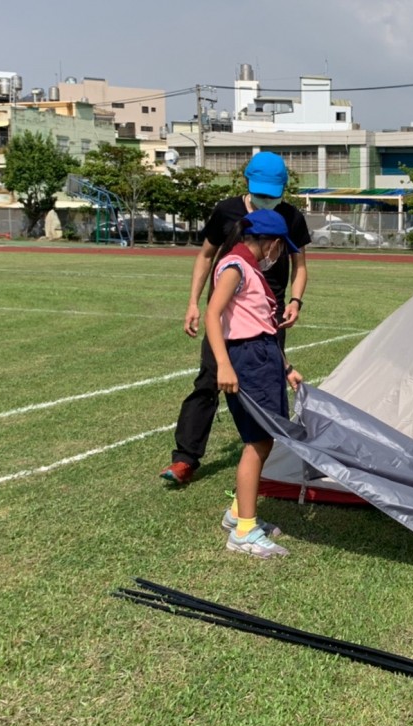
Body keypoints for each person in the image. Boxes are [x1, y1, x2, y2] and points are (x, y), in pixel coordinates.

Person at [161, 152, 311, 485]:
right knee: (208, 382)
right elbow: (205, 256)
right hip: (227, 317)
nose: (267, 200)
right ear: (247, 183)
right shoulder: (227, 211)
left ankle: (265, 458)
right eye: (262, 192)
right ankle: (185, 458)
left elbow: (300, 267)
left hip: (267, 319)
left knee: (269, 387)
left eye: (274, 193)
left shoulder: (291, 217)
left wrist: (296, 302)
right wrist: (193, 303)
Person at [206, 208, 303, 558]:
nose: (278, 256)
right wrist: (223, 366)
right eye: (280, 248)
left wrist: (286, 366)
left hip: (263, 355)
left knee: (264, 438)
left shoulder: (247, 269)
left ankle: (237, 515)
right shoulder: (236, 267)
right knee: (257, 441)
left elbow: (262, 325)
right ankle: (244, 531)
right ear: (272, 243)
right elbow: (212, 315)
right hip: (246, 359)